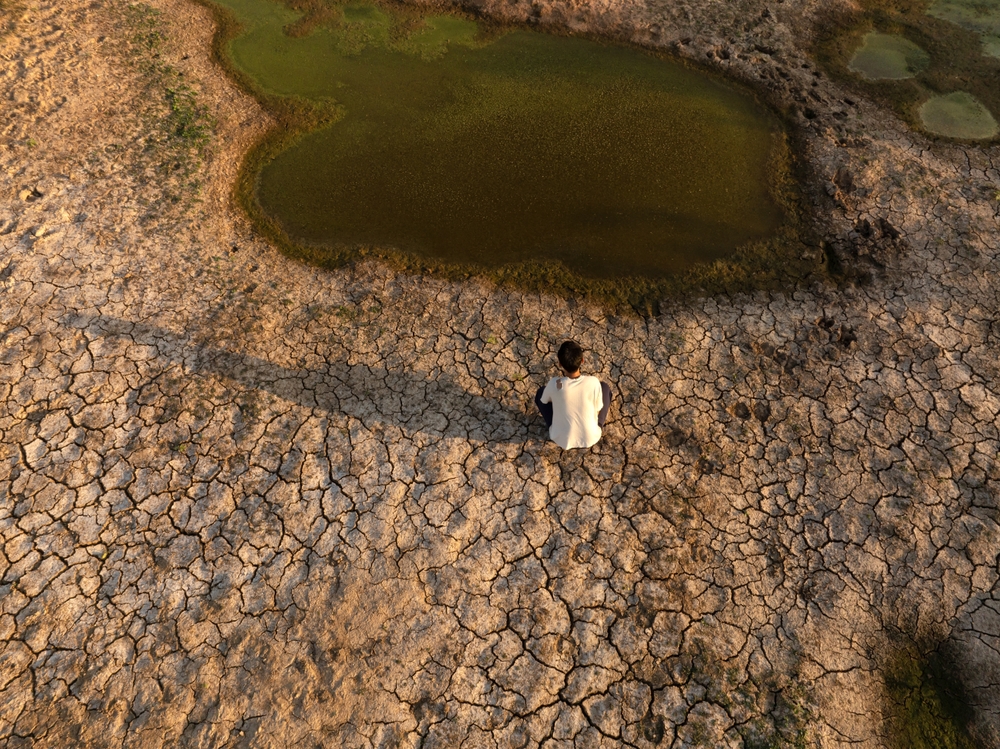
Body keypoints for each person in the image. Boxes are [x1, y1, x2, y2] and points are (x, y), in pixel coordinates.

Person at [534, 340, 612, 449]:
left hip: (561, 439)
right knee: (605, 388)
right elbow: (598, 409)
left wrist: (560, 399)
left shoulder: (555, 383)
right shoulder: (593, 382)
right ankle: (598, 424)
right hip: (590, 438)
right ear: (582, 361)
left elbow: (543, 401)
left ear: (560, 364)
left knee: (541, 393)